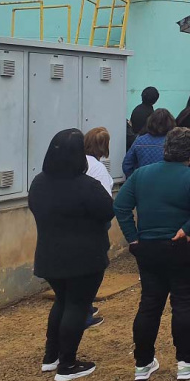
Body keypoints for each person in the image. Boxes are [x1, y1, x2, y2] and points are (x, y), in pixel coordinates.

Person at [113, 127, 190, 381]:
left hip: (148, 246)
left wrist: (133, 237)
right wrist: (188, 229)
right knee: (183, 302)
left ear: (166, 148)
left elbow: (120, 205)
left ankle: (143, 363)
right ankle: (186, 361)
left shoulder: (140, 175)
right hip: (183, 247)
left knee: (149, 304)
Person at [28, 129, 114, 381]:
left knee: (61, 303)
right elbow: (107, 211)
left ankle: (50, 357)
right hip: (84, 257)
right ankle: (68, 364)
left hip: (48, 255)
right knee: (76, 305)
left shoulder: (38, 182)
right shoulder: (87, 185)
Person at [82, 126, 113, 329]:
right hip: (95, 221)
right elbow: (105, 199)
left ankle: (85, 307)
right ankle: (84, 312)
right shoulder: (98, 168)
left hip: (77, 221)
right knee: (93, 267)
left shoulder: (79, 163)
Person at [123, 109, 176, 178]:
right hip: (165, 181)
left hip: (142, 181)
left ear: (150, 122)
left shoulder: (139, 140)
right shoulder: (173, 142)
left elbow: (127, 164)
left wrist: (134, 179)